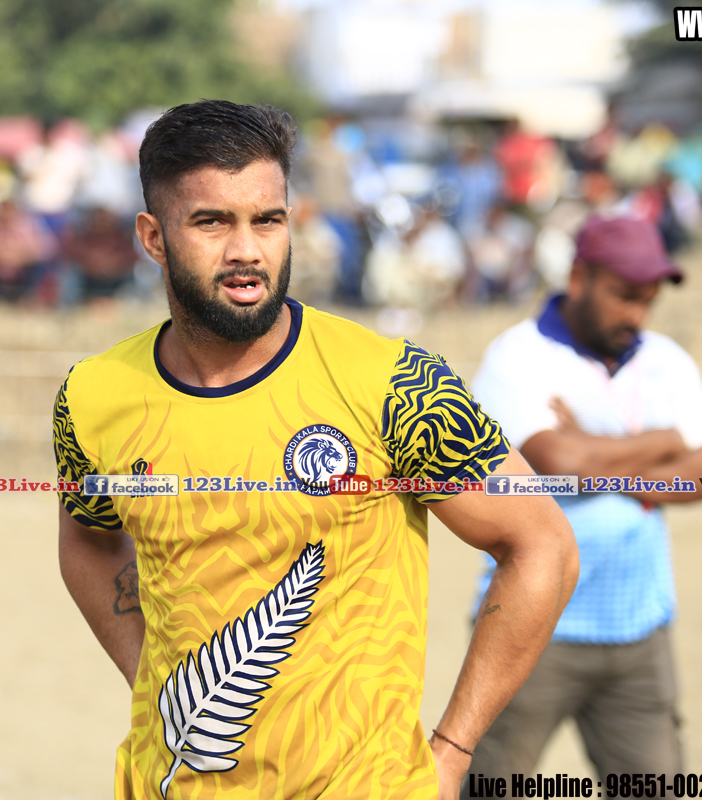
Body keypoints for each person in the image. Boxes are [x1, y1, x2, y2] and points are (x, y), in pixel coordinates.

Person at [53, 100, 579, 800]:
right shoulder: (92, 396)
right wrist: (152, 676)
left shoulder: (395, 382)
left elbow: (543, 546)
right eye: (212, 222)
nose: (247, 251)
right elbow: (88, 541)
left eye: (267, 220)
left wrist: (452, 753)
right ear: (153, 237)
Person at [464, 216, 702, 793]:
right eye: (624, 295)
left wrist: (592, 446)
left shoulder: (666, 359)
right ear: (579, 277)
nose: (637, 314)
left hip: (639, 630)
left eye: (648, 300)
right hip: (528, 627)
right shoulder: (516, 356)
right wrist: (664, 442)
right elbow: (559, 464)